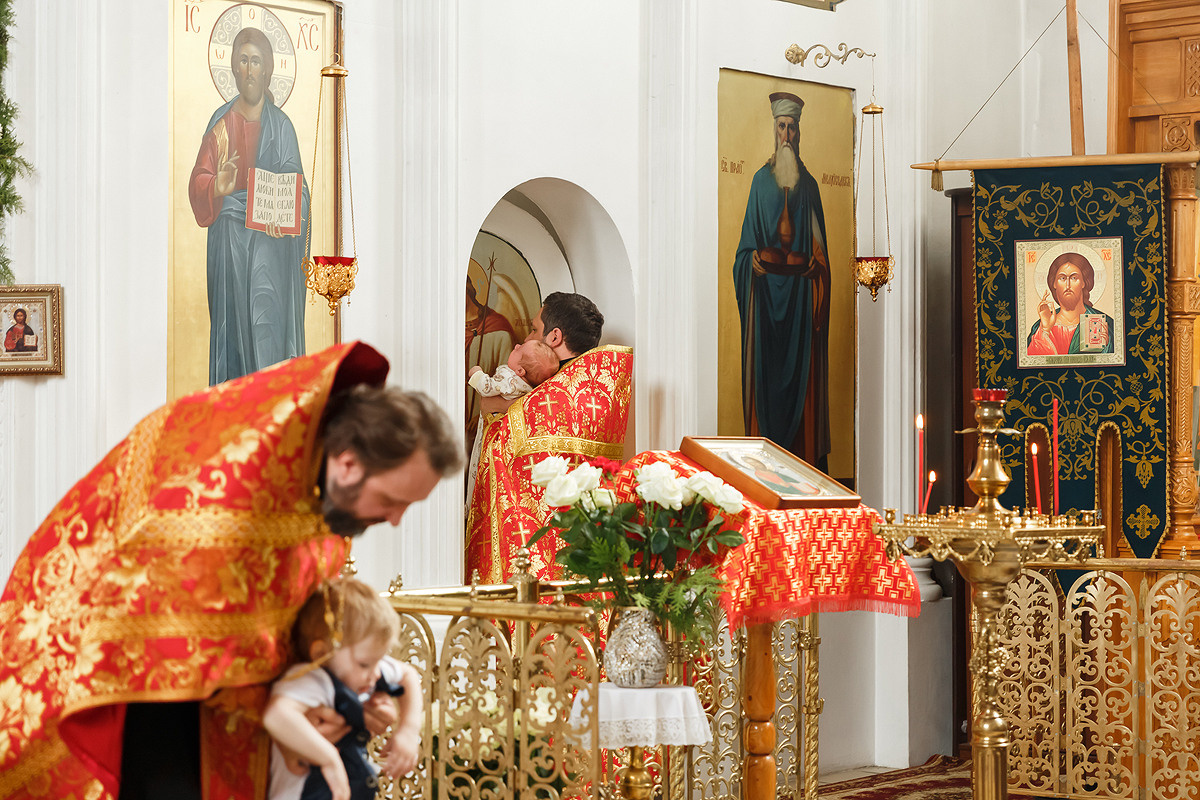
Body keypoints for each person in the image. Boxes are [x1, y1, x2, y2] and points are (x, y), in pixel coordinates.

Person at [0, 342, 462, 800]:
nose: (395, 519)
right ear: (347, 464)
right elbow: (178, 651)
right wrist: (296, 712)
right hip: (140, 686)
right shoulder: (224, 501)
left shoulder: (316, 485)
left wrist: (342, 702)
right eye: (391, 501)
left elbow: (284, 625)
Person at [189, 26, 309, 386]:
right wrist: (216, 185)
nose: (250, 69)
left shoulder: (282, 126)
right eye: (243, 60)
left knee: (266, 328)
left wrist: (285, 212)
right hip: (229, 244)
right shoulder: (220, 123)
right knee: (232, 334)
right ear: (234, 69)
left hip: (269, 247)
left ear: (268, 69)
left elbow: (298, 188)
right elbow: (198, 180)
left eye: (256, 61)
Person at [733, 91, 831, 472]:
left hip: (801, 302)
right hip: (765, 300)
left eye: (792, 128)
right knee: (767, 385)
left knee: (801, 384)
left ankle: (804, 462)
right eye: (782, 127)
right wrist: (752, 261)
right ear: (774, 131)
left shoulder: (809, 187)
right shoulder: (760, 182)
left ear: (799, 133)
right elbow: (744, 249)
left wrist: (817, 266)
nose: (787, 134)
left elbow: (821, 250)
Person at [265, 579, 421, 800]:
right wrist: (329, 759)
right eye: (365, 664)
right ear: (322, 655)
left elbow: (408, 675)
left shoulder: (363, 668)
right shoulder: (313, 678)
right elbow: (276, 715)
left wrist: (408, 730)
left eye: (379, 661)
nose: (377, 674)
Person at [477, 291, 604, 416]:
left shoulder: (551, 397)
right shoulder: (597, 388)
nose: (526, 339)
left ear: (554, 337)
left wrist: (504, 406)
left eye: (534, 330)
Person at [465, 340, 560, 501]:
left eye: (520, 349)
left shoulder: (511, 380)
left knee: (476, 466)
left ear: (520, 370)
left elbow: (487, 388)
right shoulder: (527, 387)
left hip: (490, 431)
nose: (516, 346)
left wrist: (476, 373)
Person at [1026, 252, 1115, 356]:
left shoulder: (1105, 323)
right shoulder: (1040, 326)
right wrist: (1045, 330)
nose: (1068, 285)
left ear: (1084, 282)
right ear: (1054, 283)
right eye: (1062, 278)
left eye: (1074, 278)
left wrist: (1108, 346)